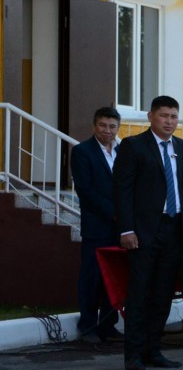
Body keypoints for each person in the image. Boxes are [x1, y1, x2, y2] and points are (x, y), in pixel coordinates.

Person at [113, 95, 183, 370]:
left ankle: (154, 350)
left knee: (163, 292)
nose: (169, 122)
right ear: (151, 116)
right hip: (144, 230)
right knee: (139, 292)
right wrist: (127, 229)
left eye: (174, 116)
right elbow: (122, 190)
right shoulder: (133, 146)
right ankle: (133, 355)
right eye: (164, 116)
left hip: (175, 230)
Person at [71, 106, 123, 343]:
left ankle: (108, 326)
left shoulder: (123, 151)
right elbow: (86, 190)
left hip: (121, 227)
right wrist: (114, 213)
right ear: (94, 126)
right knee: (91, 276)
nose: (107, 131)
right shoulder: (83, 151)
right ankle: (88, 326)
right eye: (103, 126)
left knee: (113, 277)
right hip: (97, 225)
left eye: (112, 126)